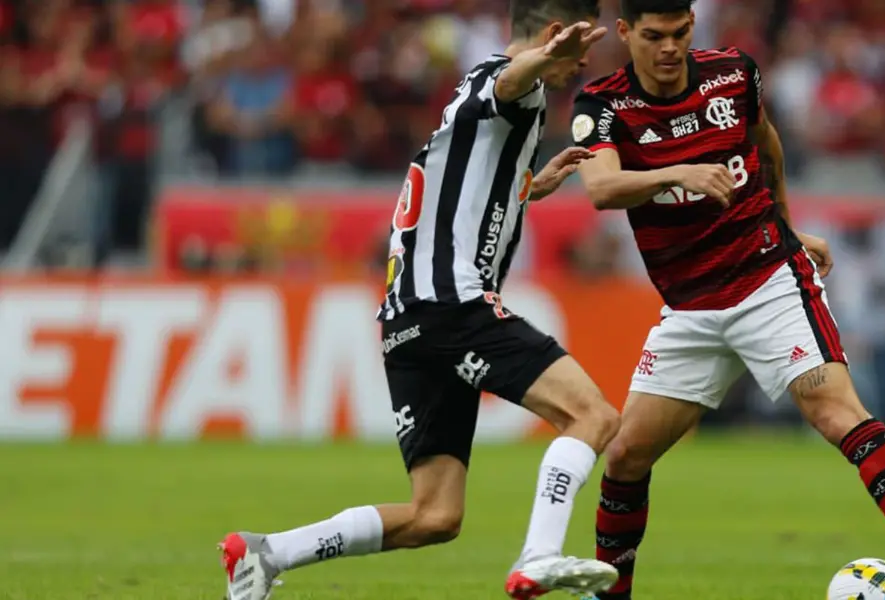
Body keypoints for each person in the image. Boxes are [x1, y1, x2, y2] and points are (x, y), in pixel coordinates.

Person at [219, 4, 623, 600]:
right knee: (594, 416)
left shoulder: (478, 102)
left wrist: (528, 187)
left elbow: (459, 186)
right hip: (451, 306)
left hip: (408, 322)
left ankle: (267, 554)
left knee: (435, 514)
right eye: (578, 45)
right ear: (554, 34)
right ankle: (540, 555)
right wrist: (544, 59)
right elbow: (513, 77)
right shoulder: (506, 80)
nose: (582, 61)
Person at [570, 2, 885, 599]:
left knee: (834, 410)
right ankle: (611, 595)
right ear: (626, 33)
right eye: (653, 36)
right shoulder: (604, 104)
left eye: (680, 33)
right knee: (626, 455)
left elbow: (767, 144)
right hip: (690, 308)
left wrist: (786, 227)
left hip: (766, 281)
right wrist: (678, 173)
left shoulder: (734, 74)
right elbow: (601, 187)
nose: (669, 48)